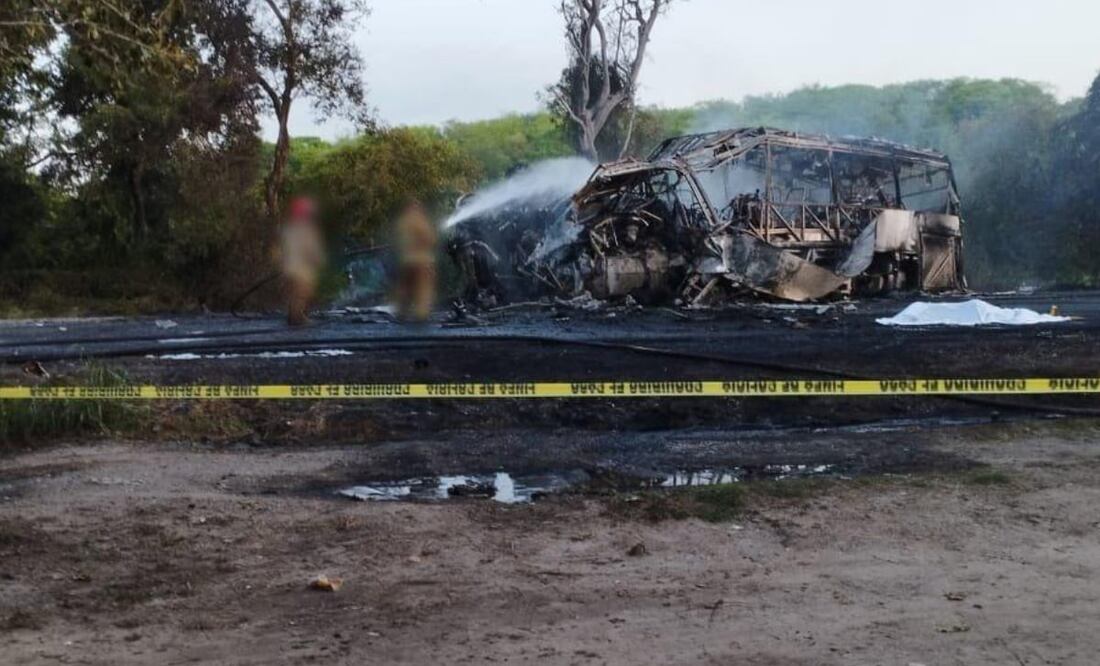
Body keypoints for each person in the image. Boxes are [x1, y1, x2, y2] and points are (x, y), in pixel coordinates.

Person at [279, 196, 326, 327]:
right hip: (302, 269)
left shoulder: (289, 229)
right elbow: (312, 250)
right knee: (301, 294)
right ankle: (297, 319)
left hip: (289, 268)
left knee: (294, 294)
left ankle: (294, 316)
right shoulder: (307, 230)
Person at [393, 200, 438, 322]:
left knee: (405, 287)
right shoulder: (420, 221)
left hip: (406, 260)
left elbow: (398, 241)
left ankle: (401, 312)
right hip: (422, 260)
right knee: (423, 288)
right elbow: (430, 239)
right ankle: (421, 314)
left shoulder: (402, 222)